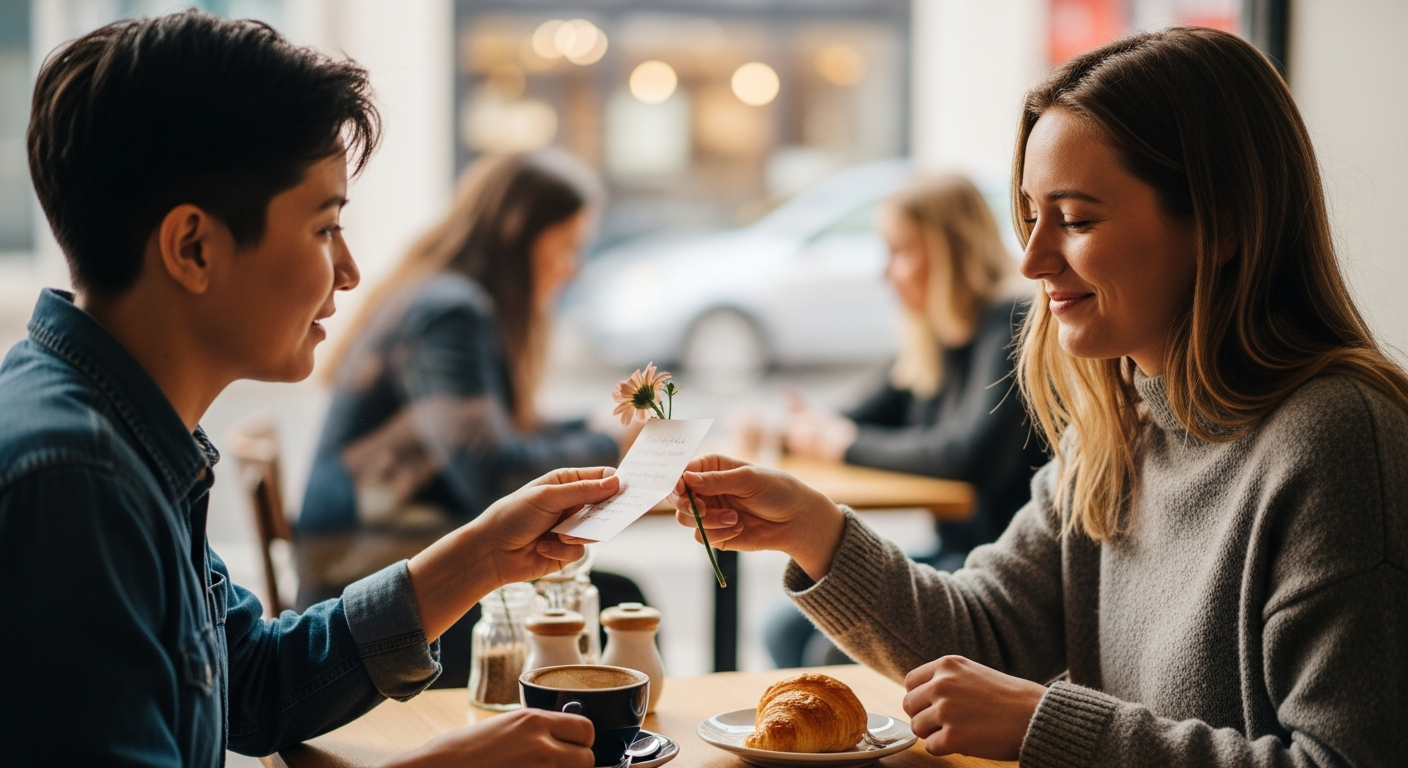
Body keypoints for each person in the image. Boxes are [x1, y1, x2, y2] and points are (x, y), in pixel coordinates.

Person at [671, 27, 1406, 765]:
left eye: (1078, 219)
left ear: (1223, 224)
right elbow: (983, 634)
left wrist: (1049, 727)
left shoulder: (1337, 439)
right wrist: (814, 528)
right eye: (1029, 217)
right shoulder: (1120, 428)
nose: (1031, 260)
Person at [0, 13, 604, 766]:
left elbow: (249, 685)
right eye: (324, 228)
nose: (348, 271)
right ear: (193, 248)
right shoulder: (74, 479)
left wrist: (483, 557)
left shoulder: (120, 430)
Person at [299, 152, 645, 686]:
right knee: (620, 603)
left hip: (380, 561)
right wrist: (605, 441)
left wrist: (598, 426)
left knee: (613, 594)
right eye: (568, 246)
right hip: (369, 589)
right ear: (518, 234)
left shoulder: (439, 294)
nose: (573, 267)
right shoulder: (450, 313)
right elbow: (492, 473)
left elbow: (493, 436)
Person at [765, 174, 1044, 667]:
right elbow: (862, 414)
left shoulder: (1011, 320)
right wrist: (790, 427)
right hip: (956, 551)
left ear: (949, 251)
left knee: (826, 645)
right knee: (786, 626)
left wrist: (840, 443)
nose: (885, 272)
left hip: (1007, 565)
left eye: (899, 251)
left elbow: (960, 457)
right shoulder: (941, 330)